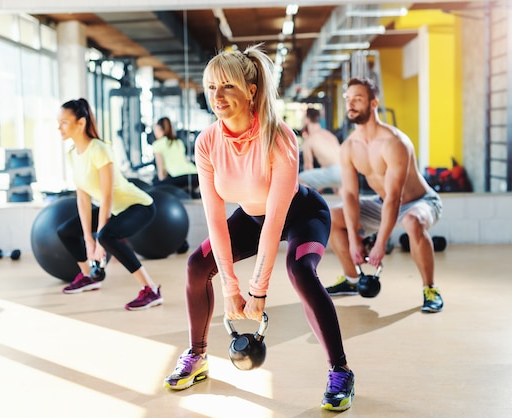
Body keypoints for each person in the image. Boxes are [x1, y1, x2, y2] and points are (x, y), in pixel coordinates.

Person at [162, 44, 355, 412]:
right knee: (196, 266)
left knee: (299, 269)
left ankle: (340, 371)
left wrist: (256, 292)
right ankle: (197, 355)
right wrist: (230, 288)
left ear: (251, 91)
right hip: (251, 217)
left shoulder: (279, 137)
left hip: (301, 213)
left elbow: (276, 220)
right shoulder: (207, 142)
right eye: (212, 87)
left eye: (228, 86)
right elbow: (216, 218)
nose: (217, 96)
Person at [325, 77, 444, 313]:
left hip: (419, 201)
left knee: (412, 221)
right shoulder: (349, 147)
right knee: (330, 216)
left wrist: (380, 244)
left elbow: (395, 198)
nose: (350, 104)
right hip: (382, 202)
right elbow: (349, 194)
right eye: (348, 99)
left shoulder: (394, 142)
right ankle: (351, 279)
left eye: (357, 99)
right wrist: (353, 240)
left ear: (373, 103)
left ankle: (430, 289)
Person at [56, 98, 163, 311]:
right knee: (66, 231)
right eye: (58, 122)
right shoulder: (72, 155)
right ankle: (89, 276)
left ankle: (151, 289)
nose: (59, 127)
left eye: (64, 122)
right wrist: (88, 239)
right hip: (115, 209)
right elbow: (83, 199)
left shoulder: (99, 150)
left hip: (139, 206)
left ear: (81, 123)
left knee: (106, 236)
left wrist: (97, 242)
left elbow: (106, 197)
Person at [298, 108, 342, 193]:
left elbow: (308, 166)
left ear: (307, 120)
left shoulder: (309, 139)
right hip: (345, 171)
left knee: (298, 179)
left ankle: (313, 202)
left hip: (333, 172)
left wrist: (314, 185)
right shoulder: (329, 135)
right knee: (338, 189)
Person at [152, 117, 199, 193]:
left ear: (159, 129)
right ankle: (186, 190)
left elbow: (161, 171)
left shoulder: (157, 144)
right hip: (195, 175)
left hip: (178, 177)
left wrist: (163, 187)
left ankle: (183, 190)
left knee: (155, 183)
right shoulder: (179, 142)